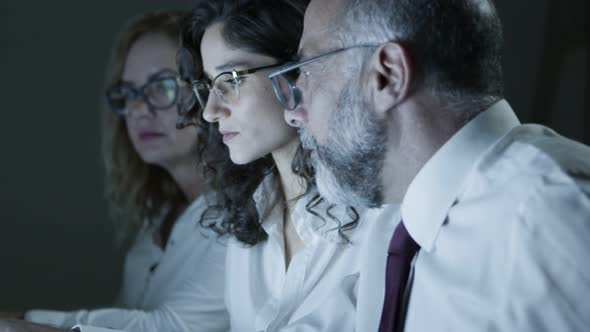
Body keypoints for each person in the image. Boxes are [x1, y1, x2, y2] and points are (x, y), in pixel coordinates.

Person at [268, 0, 590, 331]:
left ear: (387, 75)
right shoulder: (398, 228)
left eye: (307, 71)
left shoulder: (552, 217)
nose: (293, 113)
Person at [178, 0, 399, 330]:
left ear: (297, 69)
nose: (211, 111)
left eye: (232, 78)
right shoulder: (248, 218)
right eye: (209, 84)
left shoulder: (381, 214)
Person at [6, 10, 229, 332]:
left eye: (162, 87)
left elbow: (172, 327)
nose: (138, 110)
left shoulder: (244, 213)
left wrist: (24, 322)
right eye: (130, 93)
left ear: (205, 88)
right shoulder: (159, 215)